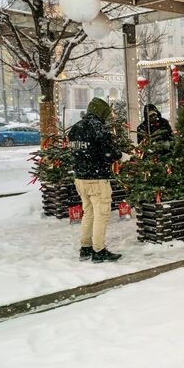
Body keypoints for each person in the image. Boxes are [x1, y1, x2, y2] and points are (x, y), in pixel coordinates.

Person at [69, 98, 123, 262]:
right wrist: (120, 155)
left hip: (80, 178)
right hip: (97, 179)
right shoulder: (98, 129)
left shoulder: (76, 128)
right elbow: (108, 154)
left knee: (89, 213)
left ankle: (85, 248)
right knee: (101, 215)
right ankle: (98, 251)